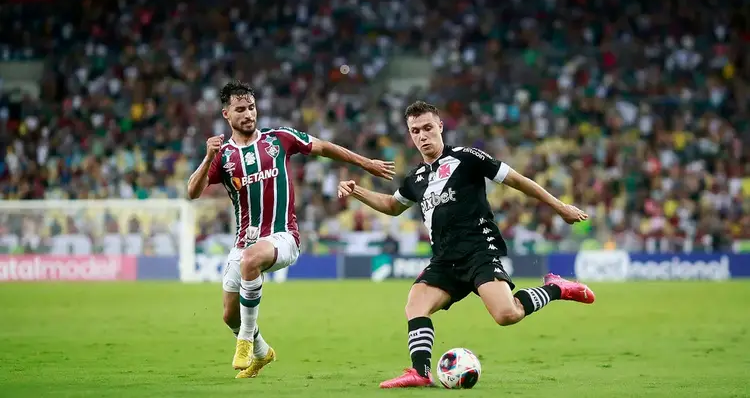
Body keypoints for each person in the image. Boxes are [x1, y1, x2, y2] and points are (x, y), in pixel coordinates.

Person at [336, 101, 596, 389]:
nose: (422, 136)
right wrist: (355, 190)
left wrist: (559, 207)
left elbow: (518, 181)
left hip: (479, 252)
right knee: (416, 304)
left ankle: (556, 287)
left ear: (440, 127)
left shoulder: (467, 158)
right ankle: (420, 372)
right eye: (415, 131)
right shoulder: (416, 178)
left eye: (427, 128)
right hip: (444, 260)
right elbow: (391, 205)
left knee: (507, 315)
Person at [187, 80, 395, 379]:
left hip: (284, 236)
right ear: (226, 115)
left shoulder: (279, 139)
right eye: (240, 109)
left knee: (250, 262)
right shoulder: (223, 156)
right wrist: (208, 156)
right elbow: (193, 192)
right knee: (228, 314)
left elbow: (325, 147)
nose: (248, 114)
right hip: (244, 241)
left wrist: (366, 164)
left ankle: (245, 340)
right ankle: (261, 352)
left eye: (251, 108)